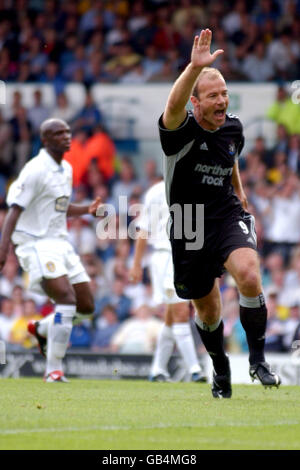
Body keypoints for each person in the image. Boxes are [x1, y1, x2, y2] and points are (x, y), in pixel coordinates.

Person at [158, 28, 281, 398]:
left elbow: (231, 159)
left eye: (224, 94)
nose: (221, 101)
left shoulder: (233, 128)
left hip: (226, 213)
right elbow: (172, 106)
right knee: (208, 310)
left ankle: (258, 361)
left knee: (248, 273)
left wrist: (240, 191)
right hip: (189, 223)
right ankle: (220, 368)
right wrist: (193, 69)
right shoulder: (178, 131)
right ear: (196, 102)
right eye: (213, 95)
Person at [0, 118, 102, 383]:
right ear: (45, 140)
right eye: (58, 133)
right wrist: (3, 250)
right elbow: (14, 211)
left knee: (87, 306)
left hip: (60, 242)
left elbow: (60, 207)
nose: (66, 136)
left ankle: (42, 328)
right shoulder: (34, 170)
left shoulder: (66, 168)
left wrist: (87, 209)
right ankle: (53, 369)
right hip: (34, 244)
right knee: (66, 300)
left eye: (67, 131)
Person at [129, 179, 206, 383]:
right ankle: (195, 369)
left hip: (188, 258)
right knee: (181, 311)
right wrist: (136, 264)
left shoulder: (196, 188)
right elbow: (143, 230)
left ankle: (157, 369)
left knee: (172, 317)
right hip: (166, 257)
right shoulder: (156, 192)